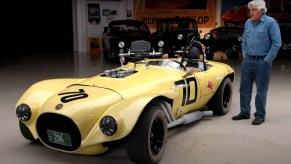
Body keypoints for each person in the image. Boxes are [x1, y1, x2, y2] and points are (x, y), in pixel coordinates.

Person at [232, 0, 282, 125]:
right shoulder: (248, 23)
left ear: (262, 10)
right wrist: (244, 54)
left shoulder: (270, 23)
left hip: (262, 62)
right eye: (250, 10)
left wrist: (267, 60)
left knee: (261, 90)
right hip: (247, 60)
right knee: (244, 88)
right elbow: (244, 40)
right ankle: (244, 112)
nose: (251, 12)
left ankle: (259, 115)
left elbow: (277, 43)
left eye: (254, 10)